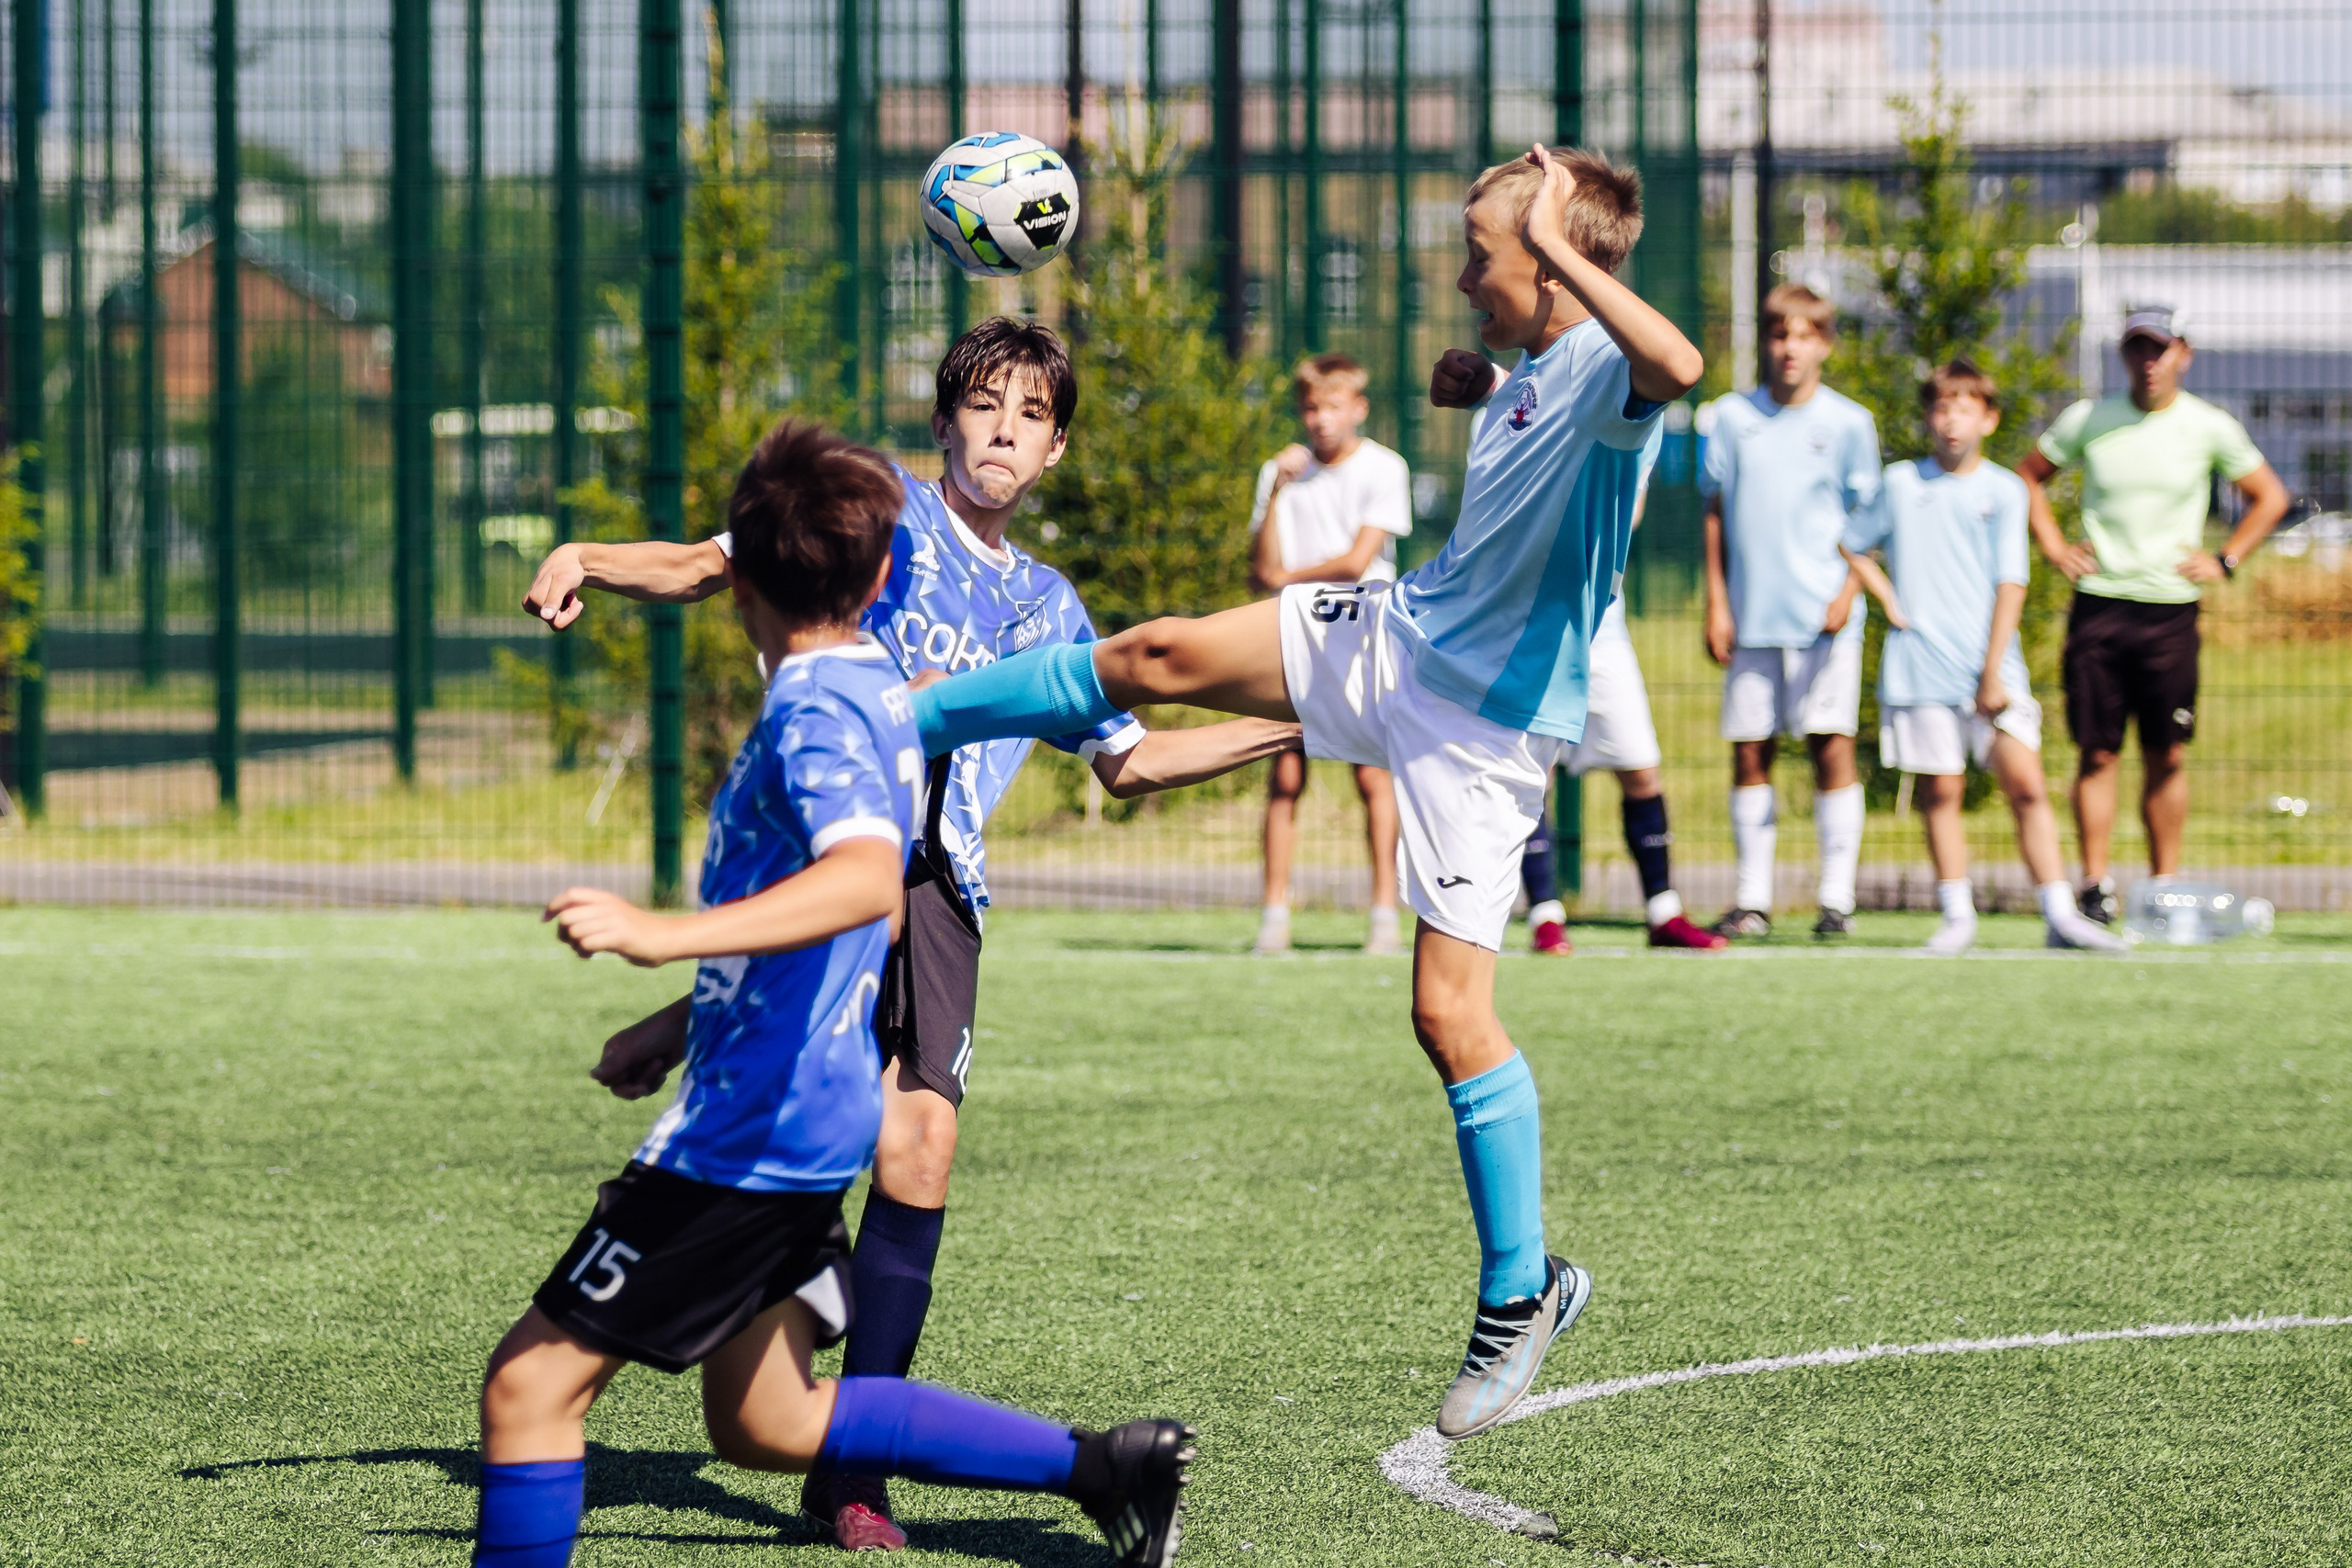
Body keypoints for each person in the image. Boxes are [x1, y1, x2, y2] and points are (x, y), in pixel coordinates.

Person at [905, 143, 1705, 1440]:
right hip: (1399, 634)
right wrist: (1488, 382)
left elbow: (1678, 366)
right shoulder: (1544, 367)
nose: (1463, 279)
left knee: (1447, 1015)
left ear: (1557, 260)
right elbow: (1535, 413)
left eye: (1482, 257)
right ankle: (902, 715)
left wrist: (1556, 246)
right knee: (1157, 653)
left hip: (1484, 732)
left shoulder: (1615, 369)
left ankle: (1523, 1287)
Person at [522, 319, 1288, 1551]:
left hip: (938, 885)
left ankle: (851, 1474)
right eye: (985, 405)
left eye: (1031, 415)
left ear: (1055, 448)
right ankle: (861, 1422)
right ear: (943, 422)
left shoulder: (1048, 603)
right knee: (834, 1112)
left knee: (917, 1151)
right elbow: (713, 564)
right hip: (840, 849)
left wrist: (1301, 726)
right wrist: (588, 558)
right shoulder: (878, 515)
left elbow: (1134, 762)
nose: (1004, 430)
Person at [1838, 360, 2126, 955]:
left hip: (1991, 672)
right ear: (1928, 416)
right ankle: (1957, 916)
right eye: (1941, 408)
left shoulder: (2005, 489)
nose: (1951, 421)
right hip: (1919, 669)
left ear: (1988, 420)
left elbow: (2010, 582)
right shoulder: (1900, 483)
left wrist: (1993, 671)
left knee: (2027, 785)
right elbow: (1852, 542)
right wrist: (1888, 598)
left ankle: (2060, 913)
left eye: (1965, 409)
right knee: (1940, 793)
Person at [2017, 305, 2290, 922]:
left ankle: (2163, 886)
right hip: (2100, 606)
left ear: (2182, 355)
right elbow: (2028, 477)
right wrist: (2055, 547)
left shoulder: (2208, 425)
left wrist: (2225, 559)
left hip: (2171, 613)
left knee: (2167, 752)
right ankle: (2095, 886)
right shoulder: (2089, 418)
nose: (2148, 361)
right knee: (2097, 752)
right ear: (2123, 355)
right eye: (2137, 348)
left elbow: (2270, 496)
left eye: (2159, 349)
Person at [1700, 284, 1883, 940]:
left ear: (1825, 345)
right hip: (1752, 617)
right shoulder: (1730, 417)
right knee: (1751, 750)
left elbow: (1867, 518)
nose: (1790, 349)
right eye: (1780, 335)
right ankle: (1753, 900)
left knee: (1831, 746)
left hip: (1824, 620)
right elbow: (1714, 510)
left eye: (1805, 336)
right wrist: (1717, 601)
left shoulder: (1850, 423)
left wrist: (1847, 592)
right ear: (1765, 341)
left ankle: (1836, 900)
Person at [1247, 352, 1412, 956]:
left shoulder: (1385, 468)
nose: (1320, 419)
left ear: (1358, 409)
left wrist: (1288, 578)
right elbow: (1262, 568)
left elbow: (1355, 562)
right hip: (1293, 636)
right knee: (1285, 773)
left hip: (1364, 633)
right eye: (1311, 408)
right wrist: (1277, 491)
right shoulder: (1280, 472)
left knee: (1372, 775)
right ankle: (1274, 917)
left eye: (1333, 406)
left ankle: (1384, 916)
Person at [1517, 487, 1726, 956]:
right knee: (1533, 775)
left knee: (1641, 770)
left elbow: (1624, 516)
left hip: (1605, 636)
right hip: (1533, 633)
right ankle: (1544, 916)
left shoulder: (1628, 436)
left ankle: (1663, 913)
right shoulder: (1511, 435)